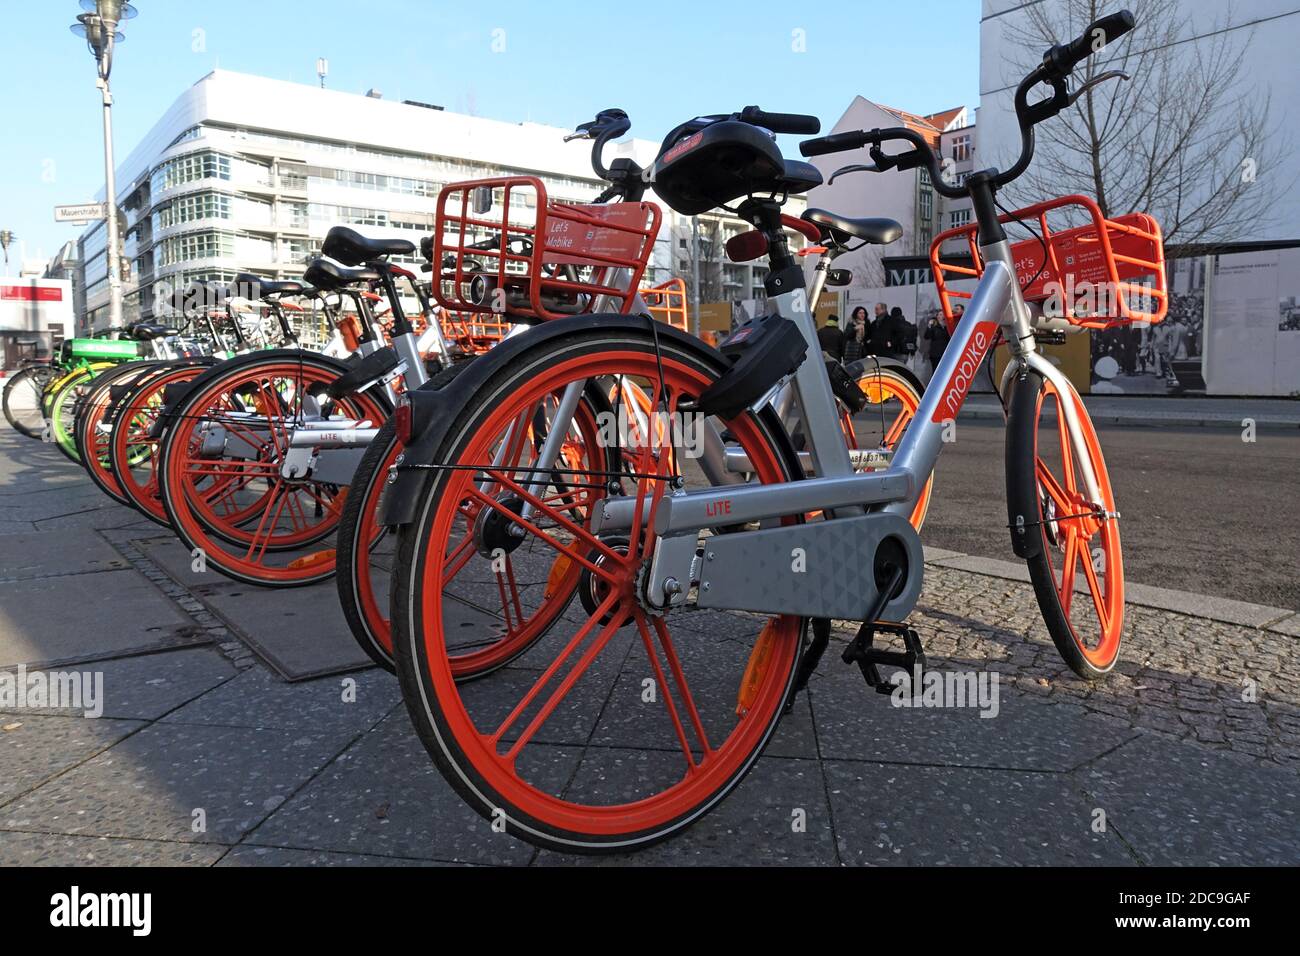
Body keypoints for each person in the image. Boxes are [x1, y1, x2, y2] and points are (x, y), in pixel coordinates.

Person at [923, 310, 951, 382]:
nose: (939, 316)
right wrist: (929, 326)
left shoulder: (947, 326)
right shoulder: (934, 326)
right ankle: (934, 386)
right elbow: (926, 336)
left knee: (944, 371)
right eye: (938, 314)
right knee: (935, 371)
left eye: (941, 314)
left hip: (945, 352)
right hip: (935, 353)